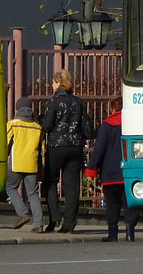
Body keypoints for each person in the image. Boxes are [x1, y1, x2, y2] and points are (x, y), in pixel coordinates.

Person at [40, 68, 95, 233]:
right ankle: (69, 225)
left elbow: (47, 126)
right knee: (72, 187)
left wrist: (42, 119)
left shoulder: (54, 102)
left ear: (58, 83)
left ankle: (54, 218)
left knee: (50, 182)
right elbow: (86, 126)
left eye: (53, 81)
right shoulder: (78, 102)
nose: (51, 84)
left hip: (57, 146)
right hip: (75, 147)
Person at [85, 97, 139, 242]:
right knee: (130, 204)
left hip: (110, 172)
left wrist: (91, 170)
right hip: (130, 171)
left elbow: (99, 150)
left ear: (112, 109)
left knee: (112, 204)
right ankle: (130, 233)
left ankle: (113, 234)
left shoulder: (107, 125)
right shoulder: (134, 124)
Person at [6, 96, 45, 232]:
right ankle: (39, 224)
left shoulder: (13, 124)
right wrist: (41, 168)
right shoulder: (37, 127)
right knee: (33, 193)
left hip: (16, 163)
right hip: (32, 164)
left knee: (11, 188)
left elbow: (6, 143)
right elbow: (42, 150)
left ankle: (23, 214)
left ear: (18, 109)